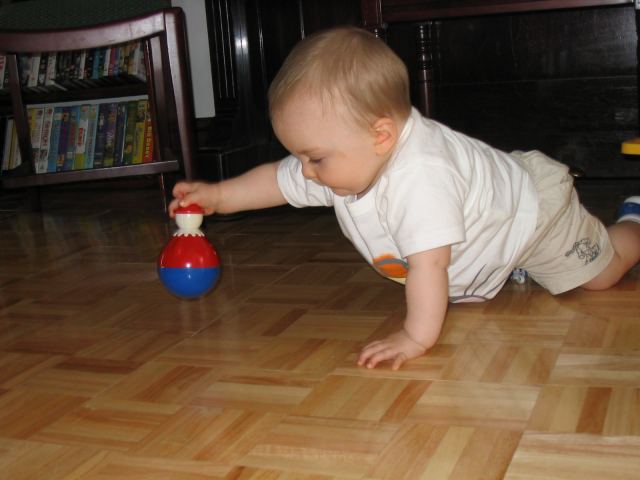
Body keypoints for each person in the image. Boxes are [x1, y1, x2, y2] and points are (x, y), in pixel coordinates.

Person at [169, 26, 640, 370]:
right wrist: (218, 195)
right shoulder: (348, 151)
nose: (305, 170)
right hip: (488, 212)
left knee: (601, 275)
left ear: (381, 135)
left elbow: (429, 266)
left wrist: (415, 337)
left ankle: (634, 220)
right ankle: (506, 259)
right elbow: (277, 180)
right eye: (299, 156)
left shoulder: (421, 178)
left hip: (533, 213)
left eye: (313, 158)